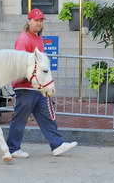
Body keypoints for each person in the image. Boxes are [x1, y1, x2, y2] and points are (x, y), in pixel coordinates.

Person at [7, 8, 77, 158]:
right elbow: (20, 63)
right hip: (25, 86)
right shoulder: (24, 39)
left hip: (37, 86)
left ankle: (57, 144)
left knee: (46, 116)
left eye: (41, 20)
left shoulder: (37, 38)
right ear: (29, 21)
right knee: (20, 118)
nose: (39, 23)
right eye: (36, 20)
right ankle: (13, 148)